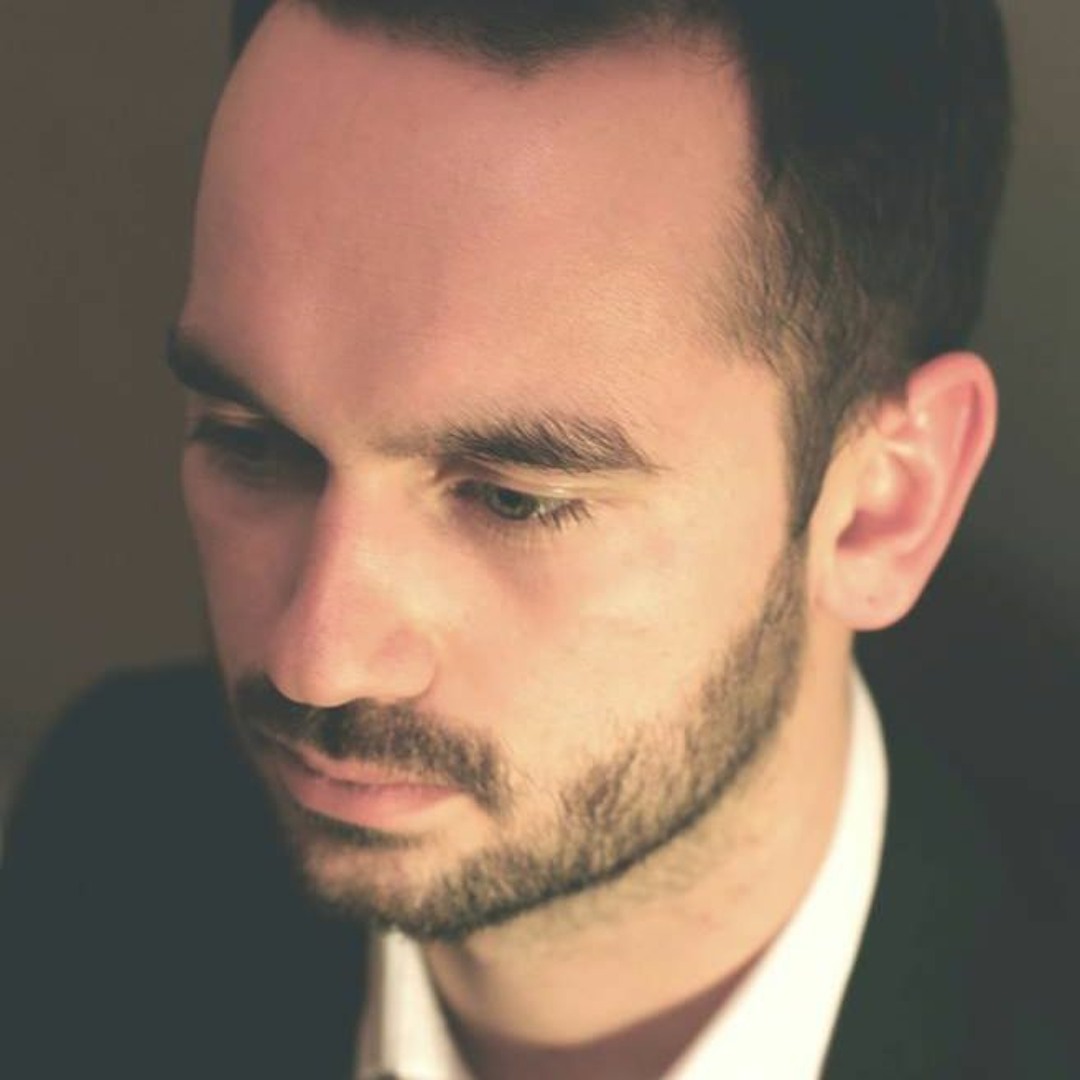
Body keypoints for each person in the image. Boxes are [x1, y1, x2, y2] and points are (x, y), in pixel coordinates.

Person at [2, 1, 1075, 1077]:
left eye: (512, 499)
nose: (315, 661)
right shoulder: (113, 835)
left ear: (885, 505)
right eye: (250, 441)